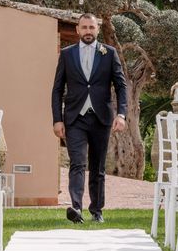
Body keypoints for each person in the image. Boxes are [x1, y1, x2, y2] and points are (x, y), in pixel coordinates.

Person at [51, 13, 128, 224]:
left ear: (97, 30)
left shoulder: (109, 53)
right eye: (84, 27)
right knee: (77, 162)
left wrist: (121, 114)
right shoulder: (67, 54)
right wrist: (57, 119)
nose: (87, 31)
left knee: (98, 167)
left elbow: (121, 86)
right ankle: (76, 207)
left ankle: (97, 210)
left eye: (91, 28)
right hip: (75, 117)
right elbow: (57, 89)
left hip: (101, 118)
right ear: (77, 30)